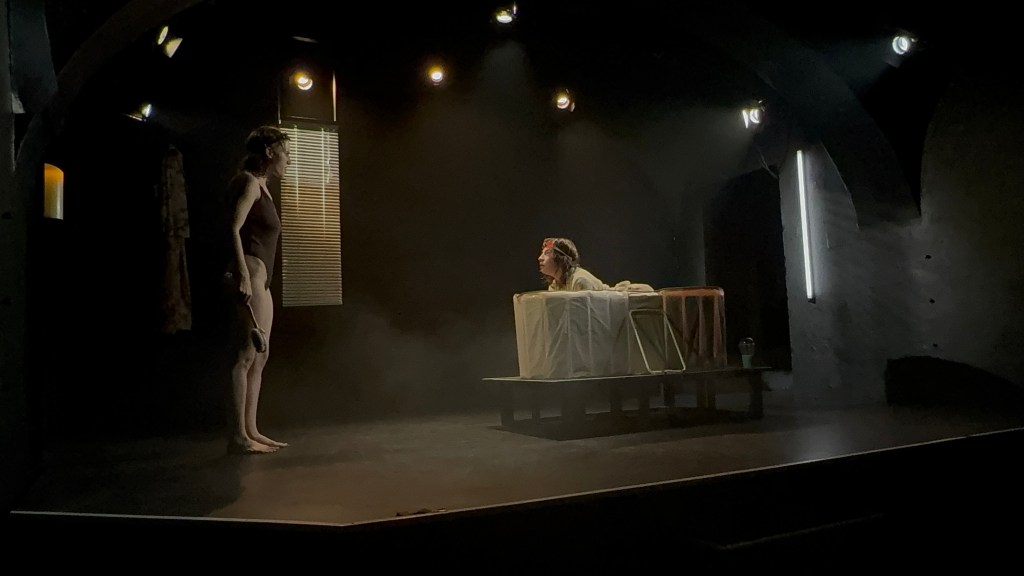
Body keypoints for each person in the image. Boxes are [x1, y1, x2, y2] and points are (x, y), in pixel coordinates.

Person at [224, 125, 291, 455]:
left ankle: (251, 430)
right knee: (246, 354)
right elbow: (233, 227)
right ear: (269, 152)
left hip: (261, 277)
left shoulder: (263, 186)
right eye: (285, 152)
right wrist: (241, 273)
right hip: (250, 272)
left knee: (259, 357)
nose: (288, 159)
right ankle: (238, 436)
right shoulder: (250, 183)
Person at [538, 237, 608, 291]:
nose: (540, 258)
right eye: (542, 253)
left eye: (547, 253)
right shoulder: (554, 286)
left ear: (561, 258)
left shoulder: (580, 281)